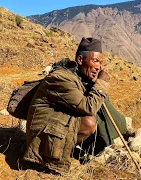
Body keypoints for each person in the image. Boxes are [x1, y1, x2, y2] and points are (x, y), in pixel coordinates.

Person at [24, 37, 127, 174]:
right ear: (80, 60)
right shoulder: (61, 78)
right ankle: (48, 158)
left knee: (95, 118)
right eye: (95, 61)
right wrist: (101, 83)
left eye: (100, 63)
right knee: (89, 122)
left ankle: (65, 150)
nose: (98, 67)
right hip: (41, 135)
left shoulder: (77, 76)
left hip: (54, 126)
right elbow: (88, 107)